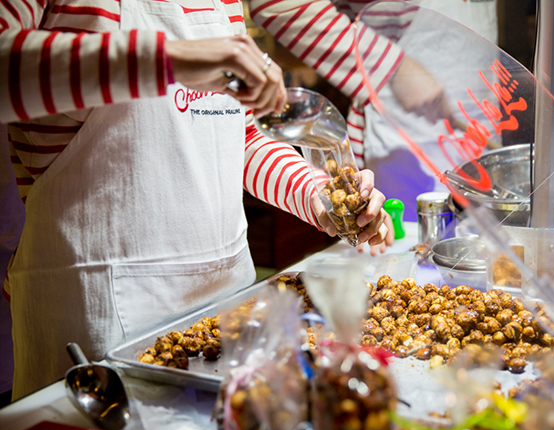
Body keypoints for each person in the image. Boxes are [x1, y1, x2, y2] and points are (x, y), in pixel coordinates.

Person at [0, 0, 390, 400]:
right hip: (100, 319)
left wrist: (316, 194)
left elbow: (238, 135)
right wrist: (165, 61)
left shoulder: (223, 4)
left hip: (225, 306)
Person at [249, 0, 499, 221]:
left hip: (481, 116)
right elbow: (276, 3)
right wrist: (393, 68)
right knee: (411, 251)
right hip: (401, 129)